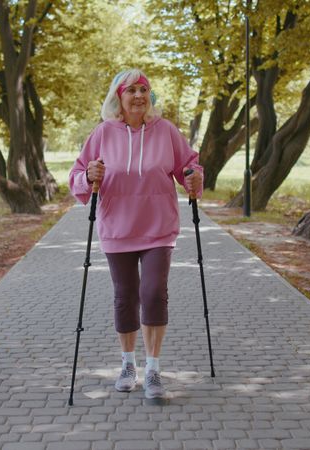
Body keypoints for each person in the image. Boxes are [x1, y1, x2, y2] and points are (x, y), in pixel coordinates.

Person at [68, 68, 203, 399]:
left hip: (159, 228)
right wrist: (89, 176)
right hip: (117, 228)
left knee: (154, 293)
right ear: (119, 97)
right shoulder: (103, 133)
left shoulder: (166, 131)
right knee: (125, 296)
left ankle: (153, 368)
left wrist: (193, 177)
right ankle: (128, 364)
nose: (139, 95)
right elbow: (77, 176)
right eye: (131, 90)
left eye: (144, 89)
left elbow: (189, 165)